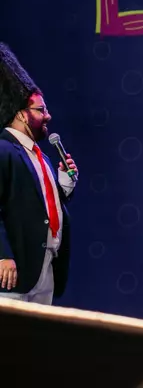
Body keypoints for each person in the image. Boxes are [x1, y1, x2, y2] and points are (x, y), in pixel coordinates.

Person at [0, 43, 77, 305]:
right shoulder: (3, 150)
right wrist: (3, 255)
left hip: (44, 269)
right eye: (40, 110)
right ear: (21, 114)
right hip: (15, 270)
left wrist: (64, 185)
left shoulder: (40, 156)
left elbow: (41, 206)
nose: (48, 116)